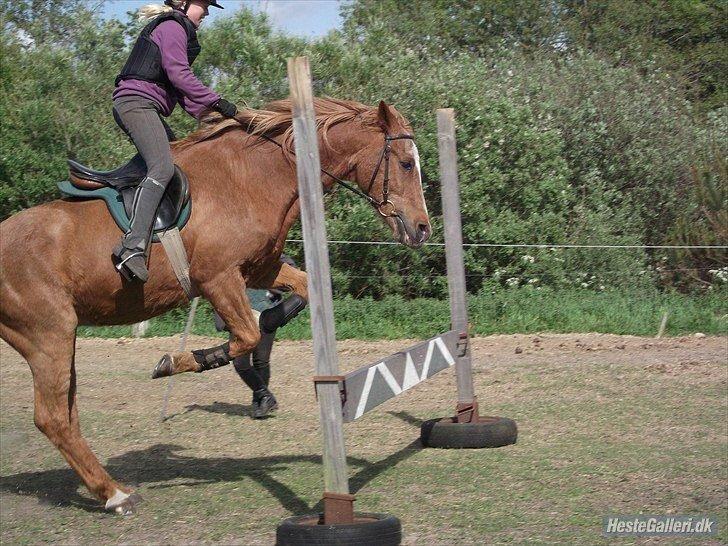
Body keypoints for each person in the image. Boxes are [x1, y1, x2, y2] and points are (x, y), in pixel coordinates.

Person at [111, 0, 238, 282]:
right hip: (136, 104)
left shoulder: (179, 31)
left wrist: (216, 118)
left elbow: (181, 94)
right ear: (185, 2)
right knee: (162, 168)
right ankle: (131, 247)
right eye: (203, 5)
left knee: (178, 165)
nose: (206, 12)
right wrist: (218, 101)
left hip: (145, 105)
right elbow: (181, 77)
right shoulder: (172, 27)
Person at [213, 255, 302, 419]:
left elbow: (290, 269)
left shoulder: (269, 251)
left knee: (261, 360)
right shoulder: (232, 253)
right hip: (240, 315)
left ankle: (260, 401)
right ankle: (264, 395)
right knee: (241, 362)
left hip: (266, 313)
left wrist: (270, 284)